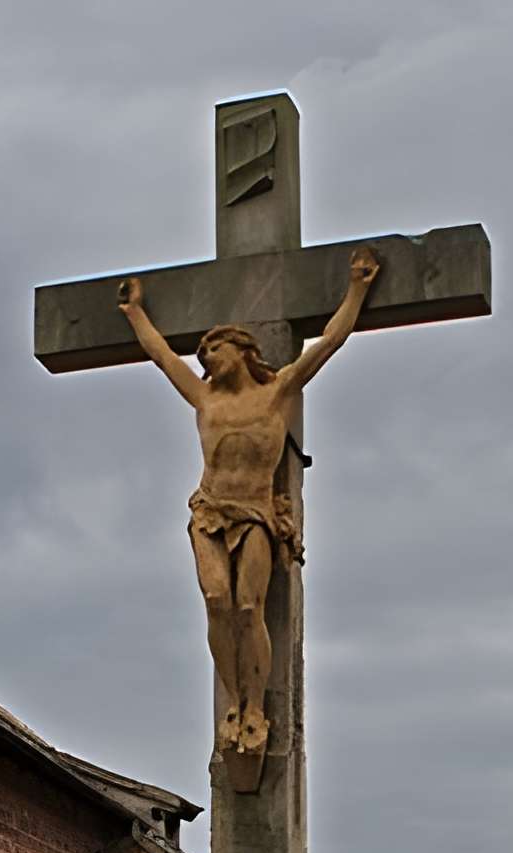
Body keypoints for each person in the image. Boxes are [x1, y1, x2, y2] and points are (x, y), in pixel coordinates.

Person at [117, 246, 379, 769]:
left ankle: (255, 706)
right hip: (210, 510)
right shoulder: (204, 398)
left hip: (257, 512)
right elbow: (161, 356)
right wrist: (135, 313)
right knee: (216, 600)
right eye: (204, 352)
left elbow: (329, 342)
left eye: (214, 348)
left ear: (240, 350)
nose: (204, 357)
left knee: (246, 607)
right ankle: (234, 703)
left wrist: (357, 288)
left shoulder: (278, 391)